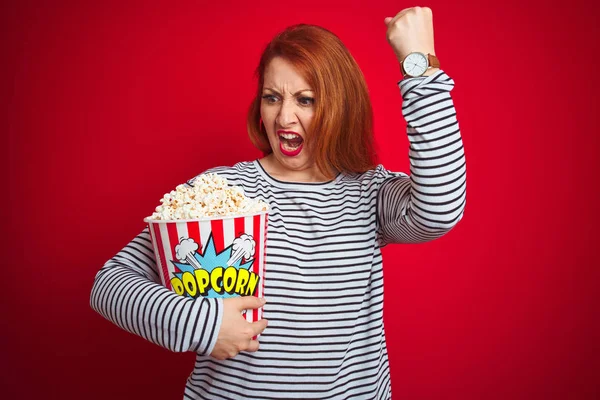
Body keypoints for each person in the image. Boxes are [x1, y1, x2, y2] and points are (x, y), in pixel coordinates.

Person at [90, 6, 466, 399]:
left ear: (340, 107)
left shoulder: (368, 193)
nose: (284, 117)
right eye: (272, 97)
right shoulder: (219, 194)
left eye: (305, 100)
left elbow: (440, 207)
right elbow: (110, 285)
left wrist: (418, 64)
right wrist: (202, 325)